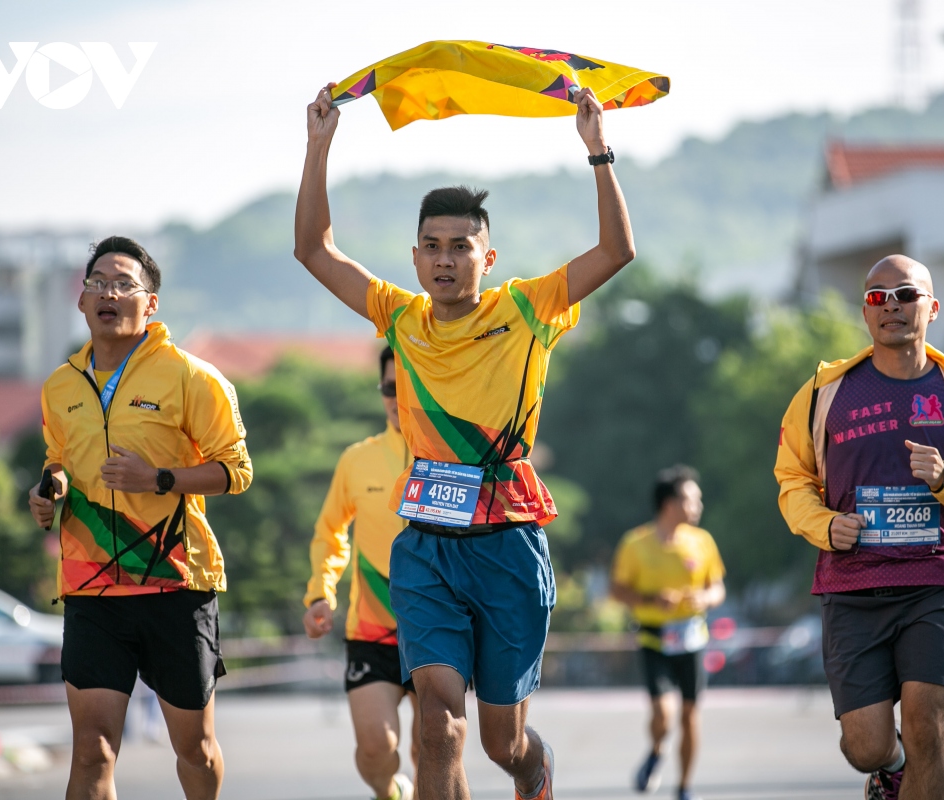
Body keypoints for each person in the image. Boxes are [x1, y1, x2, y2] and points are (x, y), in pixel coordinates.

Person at [294, 80, 635, 800]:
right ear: (415, 257)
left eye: (461, 247)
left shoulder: (528, 307)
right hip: (426, 548)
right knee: (436, 725)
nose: (445, 260)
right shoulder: (400, 317)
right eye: (432, 248)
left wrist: (597, 150)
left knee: (499, 740)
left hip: (508, 545)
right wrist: (318, 145)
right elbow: (314, 250)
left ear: (488, 256)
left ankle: (532, 770)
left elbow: (616, 250)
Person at [774, 255, 944, 800]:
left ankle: (910, 769)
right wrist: (824, 524)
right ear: (865, 314)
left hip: (935, 583)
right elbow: (791, 479)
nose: (891, 305)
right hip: (851, 585)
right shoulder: (824, 393)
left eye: (905, 294)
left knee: (928, 728)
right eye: (876, 297)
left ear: (931, 309)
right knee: (863, 744)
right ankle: (888, 770)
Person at [28, 236, 253, 800]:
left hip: (175, 586)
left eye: (124, 283)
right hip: (91, 592)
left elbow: (237, 470)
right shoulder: (59, 387)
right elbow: (60, 458)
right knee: (93, 751)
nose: (108, 292)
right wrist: (50, 488)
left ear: (150, 304)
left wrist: (159, 479)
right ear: (81, 300)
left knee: (194, 750)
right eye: (97, 281)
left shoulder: (191, 377)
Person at [302, 346, 418, 800]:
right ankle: (388, 791)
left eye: (406, 387)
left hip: (440, 628)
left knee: (436, 746)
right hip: (372, 630)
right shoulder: (357, 459)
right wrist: (319, 595)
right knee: (376, 748)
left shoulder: (456, 456)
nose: (395, 397)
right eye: (388, 388)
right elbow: (330, 531)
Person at [611, 465, 726, 800]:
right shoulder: (635, 544)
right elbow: (617, 591)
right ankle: (657, 748)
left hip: (692, 637)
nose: (699, 505)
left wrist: (704, 597)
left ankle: (685, 787)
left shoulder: (703, 542)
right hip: (653, 637)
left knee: (690, 713)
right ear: (670, 504)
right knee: (663, 713)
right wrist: (649, 600)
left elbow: (717, 588)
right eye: (693, 498)